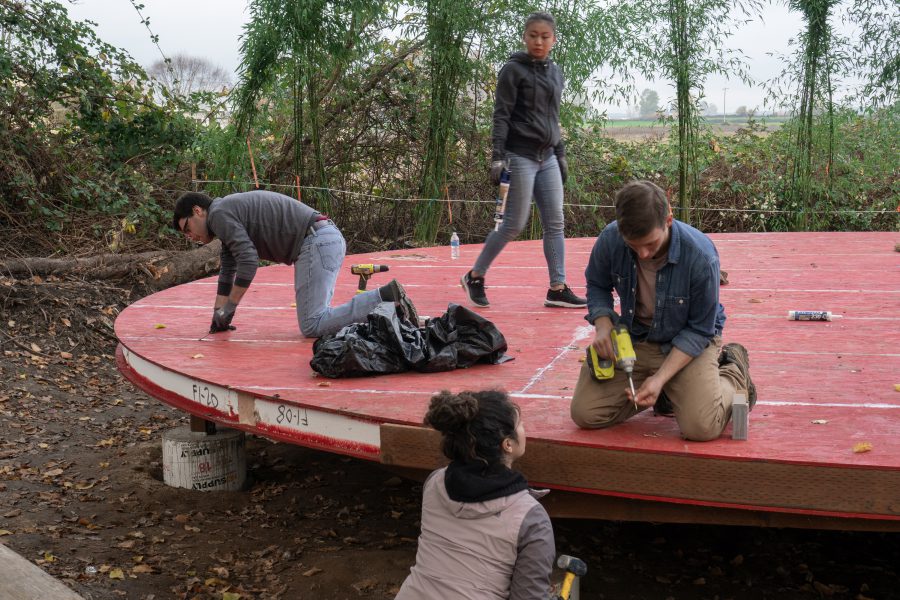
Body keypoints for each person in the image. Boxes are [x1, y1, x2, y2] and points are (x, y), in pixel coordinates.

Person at [570, 180, 756, 441]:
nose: (643, 254)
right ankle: (670, 393)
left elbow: (700, 329)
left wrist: (659, 378)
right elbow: (597, 284)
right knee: (585, 414)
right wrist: (602, 324)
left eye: (650, 244)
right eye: (633, 246)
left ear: (668, 218)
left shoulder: (701, 256)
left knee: (701, 428)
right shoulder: (611, 238)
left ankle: (733, 372)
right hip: (636, 338)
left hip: (686, 344)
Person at [460, 11, 586, 310]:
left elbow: (553, 117)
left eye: (545, 36)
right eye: (533, 35)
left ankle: (557, 288)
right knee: (514, 224)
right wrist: (497, 156)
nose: (539, 41)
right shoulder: (512, 70)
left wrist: (561, 152)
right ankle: (475, 276)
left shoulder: (555, 72)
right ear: (524, 37)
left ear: (554, 40)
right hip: (520, 155)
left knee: (555, 222)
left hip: (548, 157)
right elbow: (501, 115)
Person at [172, 190, 417, 338]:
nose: (190, 236)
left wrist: (229, 308)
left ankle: (385, 298)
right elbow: (229, 268)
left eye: (187, 228)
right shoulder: (223, 213)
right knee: (318, 318)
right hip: (322, 239)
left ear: (198, 211)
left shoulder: (218, 213)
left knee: (312, 324)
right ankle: (387, 300)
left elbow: (248, 261)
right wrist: (218, 314)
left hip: (315, 242)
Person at [396, 390, 555, 600]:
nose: (524, 429)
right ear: (507, 444)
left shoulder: (435, 483)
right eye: (520, 424)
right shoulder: (530, 518)